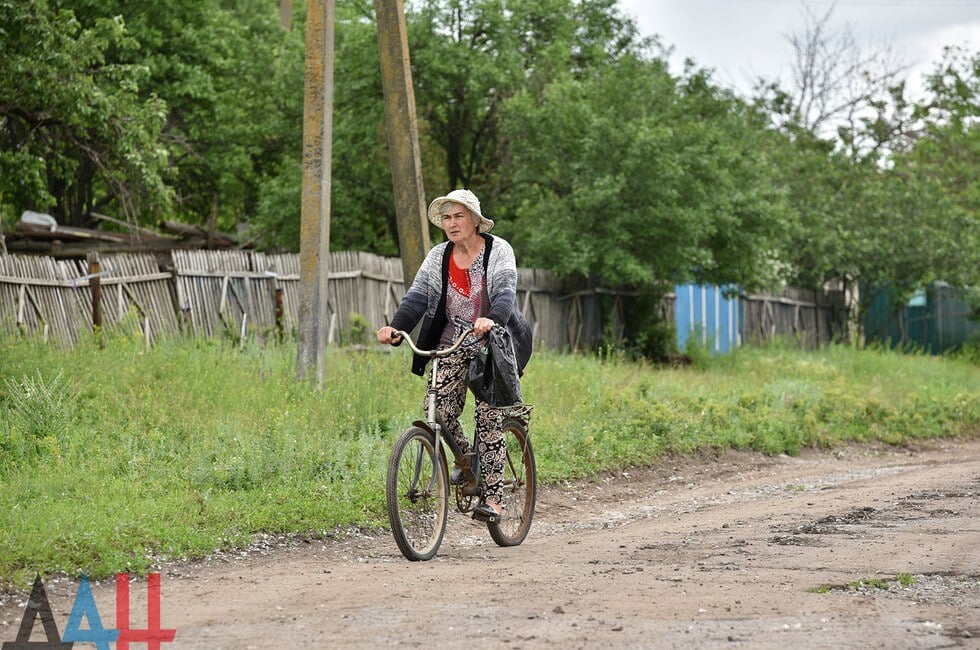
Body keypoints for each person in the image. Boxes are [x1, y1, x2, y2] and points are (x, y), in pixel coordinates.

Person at [377, 189, 532, 521]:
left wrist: (493, 319)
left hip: (496, 343)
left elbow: (505, 291)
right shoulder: (438, 256)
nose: (452, 223)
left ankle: (494, 499)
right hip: (454, 342)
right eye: (446, 217)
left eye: (458, 216)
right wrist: (395, 327)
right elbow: (417, 297)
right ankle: (468, 463)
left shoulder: (498, 250)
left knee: (489, 416)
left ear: (475, 221)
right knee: (439, 410)